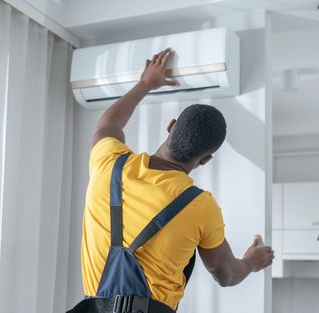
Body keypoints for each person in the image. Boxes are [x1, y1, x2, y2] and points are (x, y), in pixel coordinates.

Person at [70, 48, 274, 313]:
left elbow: (108, 125)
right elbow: (226, 275)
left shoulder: (109, 163)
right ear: (206, 160)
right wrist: (251, 261)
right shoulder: (201, 206)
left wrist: (145, 83)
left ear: (170, 126)